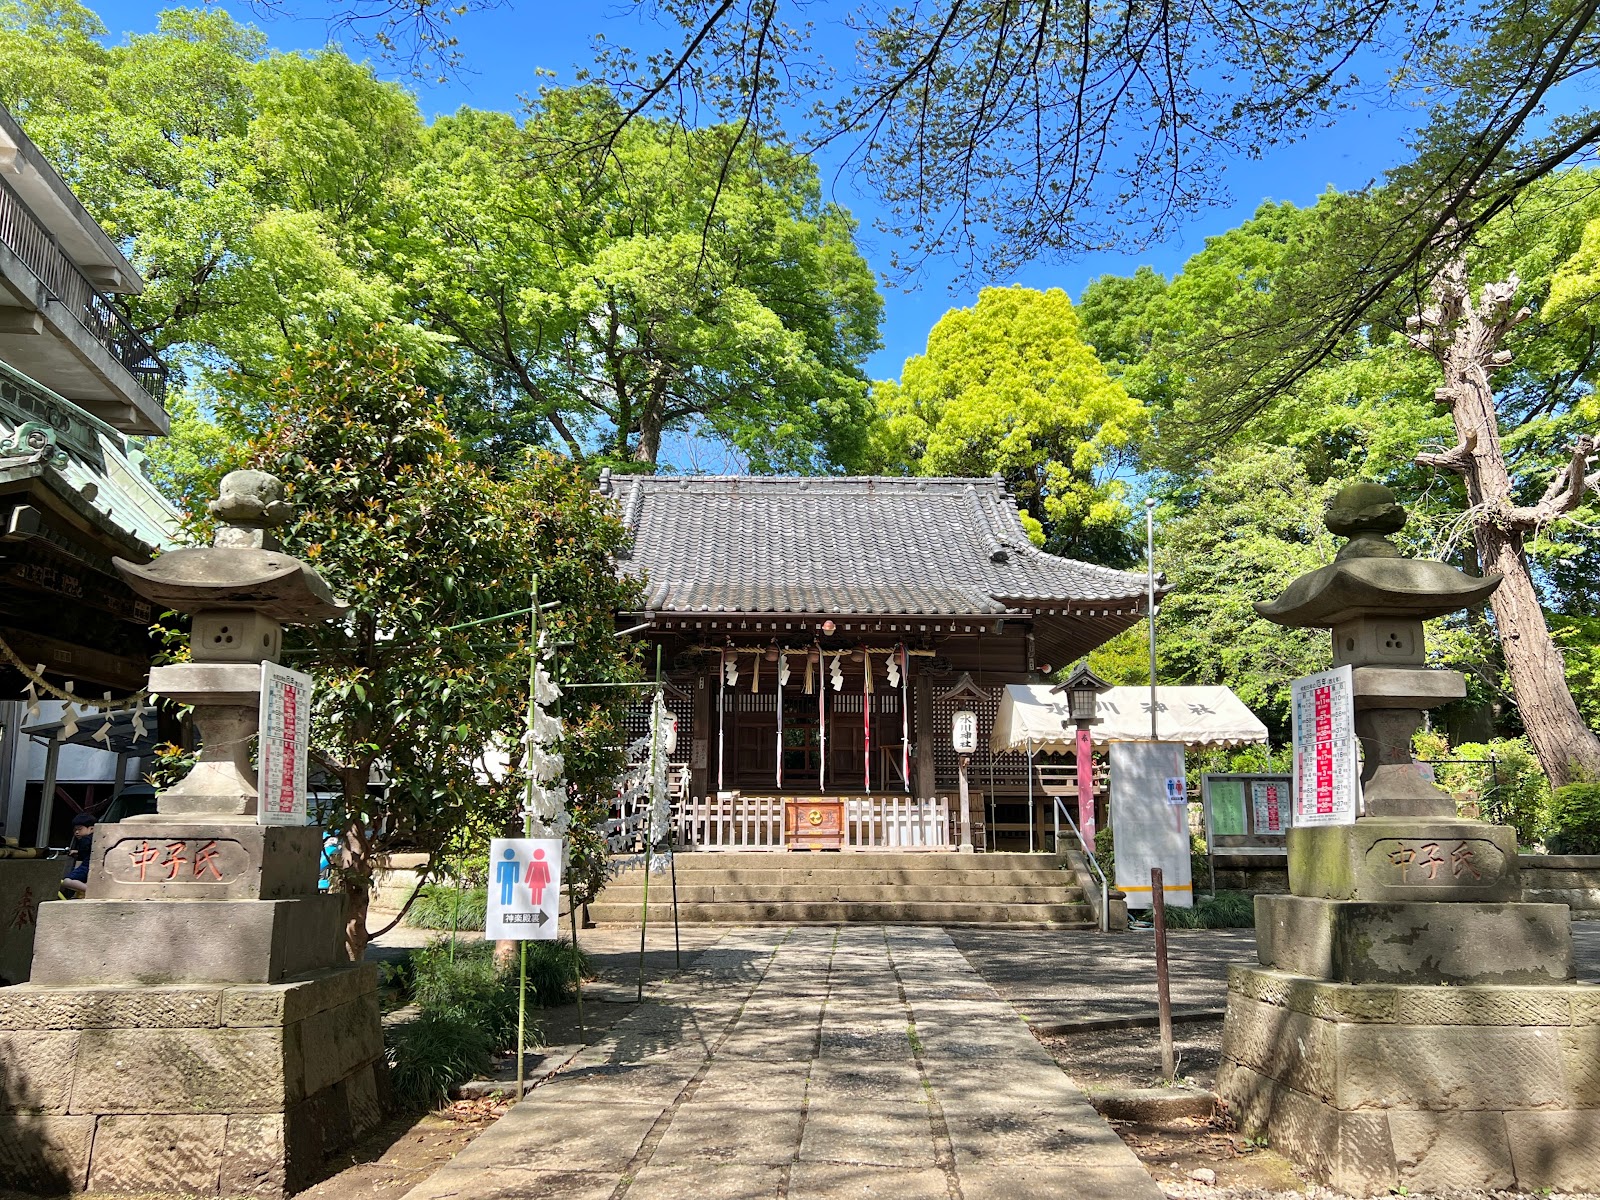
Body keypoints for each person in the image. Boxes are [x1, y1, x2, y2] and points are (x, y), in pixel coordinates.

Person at [60, 813, 95, 896]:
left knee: (67, 881)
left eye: (79, 829)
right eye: (75, 830)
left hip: (87, 866)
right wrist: (77, 852)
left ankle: (91, 891)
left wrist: (78, 853)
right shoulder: (96, 838)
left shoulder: (85, 839)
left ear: (92, 829)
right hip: (94, 865)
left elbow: (83, 854)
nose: (76, 832)